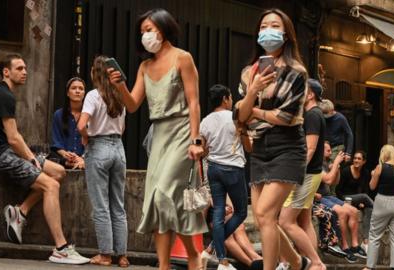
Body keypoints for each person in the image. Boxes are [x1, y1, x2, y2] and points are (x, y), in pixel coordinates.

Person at [108, 8, 206, 270]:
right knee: (155, 200)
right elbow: (132, 105)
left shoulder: (182, 58)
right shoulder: (145, 66)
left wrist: (196, 141)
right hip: (159, 134)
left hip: (183, 131)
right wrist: (119, 85)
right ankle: (165, 265)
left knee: (163, 194)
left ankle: (193, 255)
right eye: (142, 32)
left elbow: (194, 102)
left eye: (149, 30)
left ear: (163, 29)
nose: (145, 36)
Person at [0, 54, 89, 264]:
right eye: (19, 68)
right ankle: (61, 248)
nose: (25, 72)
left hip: (5, 151)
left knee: (59, 171)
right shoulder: (3, 95)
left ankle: (21, 211)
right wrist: (32, 160)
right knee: (51, 185)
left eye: (26, 68)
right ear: (6, 72)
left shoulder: (5, 94)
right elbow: (13, 137)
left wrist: (32, 159)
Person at [234, 8, 310, 270]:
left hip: (288, 146)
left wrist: (251, 109)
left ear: (286, 34)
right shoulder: (249, 72)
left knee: (266, 213)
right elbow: (240, 118)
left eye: (275, 25)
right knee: (263, 218)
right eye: (263, 25)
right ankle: (297, 262)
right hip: (259, 147)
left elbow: (286, 116)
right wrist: (253, 90)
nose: (268, 30)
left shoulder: (296, 72)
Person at [77, 56, 129, 267]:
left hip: (98, 148)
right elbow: (123, 128)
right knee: (118, 204)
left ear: (95, 73)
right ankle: (122, 256)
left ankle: (105, 255)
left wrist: (86, 136)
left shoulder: (93, 95)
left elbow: (81, 124)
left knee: (101, 205)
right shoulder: (119, 95)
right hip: (119, 149)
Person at [279, 78, 326, 270]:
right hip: (310, 173)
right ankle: (312, 262)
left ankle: (315, 262)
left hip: (306, 174)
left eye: (303, 90)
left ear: (311, 94)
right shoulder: (313, 114)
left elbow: (311, 147)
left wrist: (296, 170)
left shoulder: (313, 115)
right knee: (304, 221)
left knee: (285, 221)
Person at [199, 84, 248, 270]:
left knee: (219, 212)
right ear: (226, 99)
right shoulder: (236, 117)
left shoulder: (205, 121)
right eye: (230, 97)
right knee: (241, 212)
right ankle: (216, 253)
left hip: (214, 168)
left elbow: (200, 147)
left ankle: (220, 258)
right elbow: (248, 146)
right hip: (233, 169)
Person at [319, 142, 366, 263]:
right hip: (319, 198)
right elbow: (328, 181)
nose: (331, 153)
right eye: (328, 150)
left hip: (328, 195)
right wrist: (335, 163)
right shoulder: (316, 164)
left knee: (354, 211)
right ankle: (345, 246)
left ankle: (355, 245)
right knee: (343, 212)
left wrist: (337, 169)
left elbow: (335, 182)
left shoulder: (326, 163)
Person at [364, 145, 394, 270]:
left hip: (383, 202)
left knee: (374, 235)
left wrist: (373, 175)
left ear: (383, 154)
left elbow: (372, 187)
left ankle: (370, 267)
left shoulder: (380, 167)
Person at [336, 150, 373, 250]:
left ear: (364, 161)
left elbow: (365, 189)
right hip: (344, 198)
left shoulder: (365, 172)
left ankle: (365, 241)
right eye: (355, 158)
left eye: (359, 159)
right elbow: (338, 190)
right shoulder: (346, 171)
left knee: (369, 208)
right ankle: (380, 214)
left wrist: (360, 202)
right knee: (365, 198)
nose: (356, 160)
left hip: (357, 199)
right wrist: (344, 203)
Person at [50, 77, 86, 169]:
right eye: (74, 88)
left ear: (84, 93)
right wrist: (66, 154)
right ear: (67, 93)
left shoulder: (90, 115)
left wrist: (82, 158)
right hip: (64, 159)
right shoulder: (58, 115)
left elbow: (94, 142)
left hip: (86, 159)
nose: (77, 91)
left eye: (81, 89)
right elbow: (56, 141)